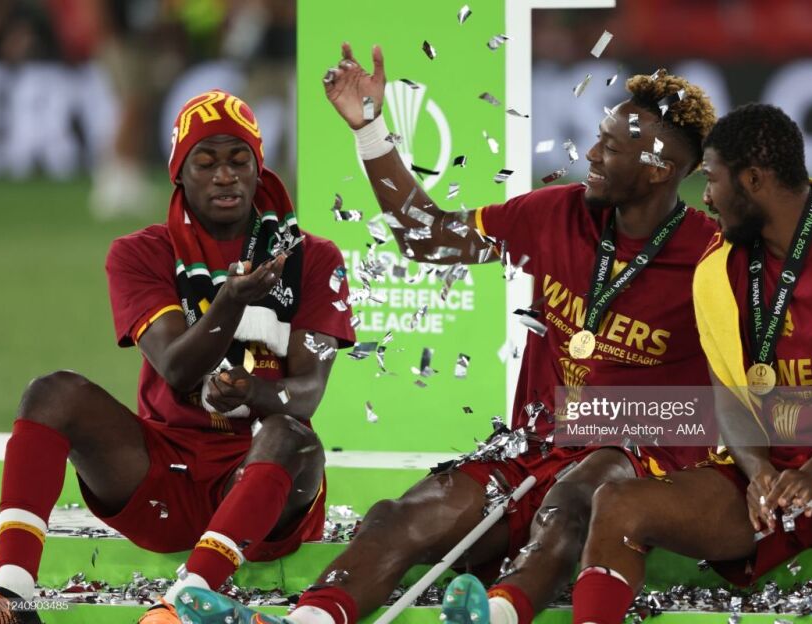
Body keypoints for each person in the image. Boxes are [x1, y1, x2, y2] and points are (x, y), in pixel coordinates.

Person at [174, 45, 718, 624]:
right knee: (396, 516)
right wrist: (369, 130)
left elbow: (746, 397)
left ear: (658, 168)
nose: (590, 154)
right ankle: (305, 621)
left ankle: (496, 615)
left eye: (609, 147)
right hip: (532, 450)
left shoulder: (711, 256)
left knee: (580, 495)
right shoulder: (558, 213)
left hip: (631, 466)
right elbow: (426, 237)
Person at [0, 89, 356, 624]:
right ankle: (12, 595)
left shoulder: (314, 257)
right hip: (165, 473)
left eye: (239, 160)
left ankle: (184, 603)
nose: (225, 176)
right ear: (178, 174)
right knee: (51, 393)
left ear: (259, 168)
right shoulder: (140, 252)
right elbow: (178, 368)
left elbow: (307, 394)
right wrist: (231, 300)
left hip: (264, 487)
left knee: (291, 435)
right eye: (205, 162)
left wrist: (254, 391)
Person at [572, 103, 812, 624]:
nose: (706, 197)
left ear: (753, 180)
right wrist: (760, 472)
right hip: (770, 469)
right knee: (617, 502)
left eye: (712, 179)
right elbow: (728, 394)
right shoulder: (719, 264)